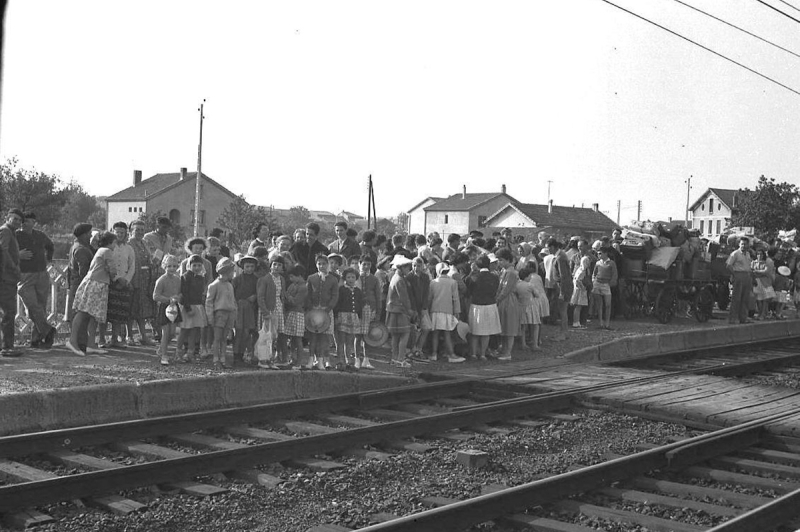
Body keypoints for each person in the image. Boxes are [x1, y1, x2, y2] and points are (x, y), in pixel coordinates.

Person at [66, 231, 117, 356]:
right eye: (114, 242)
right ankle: (72, 341)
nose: (115, 245)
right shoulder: (107, 251)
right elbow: (113, 270)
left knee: (93, 314)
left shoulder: (100, 251)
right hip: (96, 284)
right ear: (110, 242)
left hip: (97, 283)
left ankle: (90, 343)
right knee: (84, 312)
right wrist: (114, 275)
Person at [15, 212, 56, 349]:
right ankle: (48, 330)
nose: (24, 223)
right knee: (32, 305)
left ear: (34, 222)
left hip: (41, 273)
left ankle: (36, 339)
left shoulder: (40, 235)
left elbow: (50, 245)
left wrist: (49, 258)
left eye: (28, 221)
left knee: (41, 305)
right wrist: (18, 255)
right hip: (25, 274)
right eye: (23, 221)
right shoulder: (15, 235)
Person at [102, 221, 135, 348]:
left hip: (124, 285)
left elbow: (132, 266)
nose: (120, 235)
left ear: (126, 233)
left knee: (119, 313)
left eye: (122, 232)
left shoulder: (129, 248)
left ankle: (115, 338)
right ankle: (102, 339)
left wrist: (126, 280)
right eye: (117, 232)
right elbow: (107, 265)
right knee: (106, 312)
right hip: (110, 282)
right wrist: (117, 279)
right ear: (113, 232)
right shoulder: (109, 247)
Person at [305, 253, 339, 370]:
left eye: (324, 264)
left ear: (328, 265)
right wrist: (311, 307)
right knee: (313, 336)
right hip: (313, 311)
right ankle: (310, 359)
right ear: (316, 265)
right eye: (319, 264)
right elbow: (307, 294)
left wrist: (328, 308)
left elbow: (335, 296)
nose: (321, 266)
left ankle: (320, 361)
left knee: (323, 338)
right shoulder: (311, 278)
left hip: (326, 312)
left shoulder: (333, 279)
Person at [465, 255, 501, 360]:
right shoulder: (494, 277)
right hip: (490, 304)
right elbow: (495, 291)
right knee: (487, 332)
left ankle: (473, 354)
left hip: (477, 305)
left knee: (475, 331)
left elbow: (468, 291)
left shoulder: (473, 277)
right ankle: (483, 354)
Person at [428, 261, 464, 363]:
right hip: (448, 310)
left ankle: (434, 354)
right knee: (447, 334)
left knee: (435, 333)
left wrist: (427, 309)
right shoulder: (453, 282)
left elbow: (430, 298)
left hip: (434, 310)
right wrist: (457, 311)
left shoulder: (433, 282)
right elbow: (455, 298)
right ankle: (451, 354)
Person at [0, 209, 25, 357]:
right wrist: (14, 268)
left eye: (19, 220)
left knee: (8, 312)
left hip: (7, 277)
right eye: (14, 219)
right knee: (9, 312)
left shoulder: (10, 232)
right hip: (5, 278)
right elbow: (3, 251)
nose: (16, 222)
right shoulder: (6, 232)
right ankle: (7, 347)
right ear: (7, 218)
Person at [126, 220, 155, 346]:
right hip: (133, 278)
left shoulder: (144, 243)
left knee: (141, 309)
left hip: (145, 279)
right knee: (131, 308)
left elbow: (147, 259)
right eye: (137, 230)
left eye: (142, 230)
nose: (140, 232)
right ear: (131, 231)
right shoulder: (129, 244)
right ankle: (129, 335)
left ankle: (143, 335)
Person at [206, 257, 237, 369]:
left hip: (229, 313)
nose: (233, 274)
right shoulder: (214, 285)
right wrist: (210, 317)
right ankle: (215, 358)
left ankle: (223, 358)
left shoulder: (229, 285)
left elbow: (233, 301)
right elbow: (209, 302)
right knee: (217, 337)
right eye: (231, 271)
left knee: (224, 338)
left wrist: (234, 313)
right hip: (219, 314)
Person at [385, 255, 416, 368]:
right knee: (404, 334)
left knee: (395, 336)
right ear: (402, 267)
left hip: (392, 310)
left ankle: (395, 358)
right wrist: (409, 310)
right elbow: (403, 298)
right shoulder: (400, 280)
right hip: (399, 311)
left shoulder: (395, 277)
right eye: (407, 267)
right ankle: (400, 359)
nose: (409, 269)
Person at [152, 254, 182, 366]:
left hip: (174, 307)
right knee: (165, 332)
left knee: (173, 333)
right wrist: (168, 299)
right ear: (164, 266)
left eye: (174, 266)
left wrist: (177, 298)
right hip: (164, 308)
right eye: (169, 266)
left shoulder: (178, 279)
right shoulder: (161, 280)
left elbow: (180, 293)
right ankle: (164, 355)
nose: (172, 269)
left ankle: (161, 348)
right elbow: (155, 296)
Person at [177, 254, 208, 363]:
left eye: (199, 265)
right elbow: (184, 293)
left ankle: (190, 353)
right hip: (188, 306)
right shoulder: (185, 276)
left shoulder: (201, 277)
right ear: (189, 265)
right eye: (194, 265)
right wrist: (188, 307)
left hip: (198, 306)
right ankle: (178, 352)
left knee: (195, 330)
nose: (197, 268)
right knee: (184, 330)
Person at [233, 255, 259, 365]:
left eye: (252, 266)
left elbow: (260, 292)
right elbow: (232, 293)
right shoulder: (237, 279)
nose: (249, 269)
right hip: (239, 307)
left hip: (250, 308)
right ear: (242, 267)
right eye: (247, 266)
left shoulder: (257, 280)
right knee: (238, 331)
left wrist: (255, 296)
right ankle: (236, 354)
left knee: (247, 332)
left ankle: (245, 353)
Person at [334, 267, 363, 369]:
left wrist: (359, 317)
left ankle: (350, 361)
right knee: (341, 340)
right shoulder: (341, 290)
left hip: (353, 317)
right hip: (343, 316)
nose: (351, 279)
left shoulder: (358, 291)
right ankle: (340, 361)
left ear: (356, 278)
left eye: (353, 277)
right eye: (348, 277)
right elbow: (337, 303)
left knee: (350, 340)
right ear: (345, 278)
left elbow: (360, 305)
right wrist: (336, 316)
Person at [494, 248, 520, 360]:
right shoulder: (505, 271)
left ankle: (508, 352)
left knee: (509, 327)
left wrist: (497, 299)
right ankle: (504, 350)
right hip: (504, 301)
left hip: (509, 301)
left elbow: (506, 289)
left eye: (501, 260)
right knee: (504, 326)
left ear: (508, 260)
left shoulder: (511, 272)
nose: (499, 262)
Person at [356, 255, 379, 369]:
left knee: (367, 335)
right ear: (359, 264)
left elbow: (377, 295)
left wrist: (377, 311)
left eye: (368, 264)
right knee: (357, 335)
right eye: (364, 264)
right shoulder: (355, 277)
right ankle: (356, 358)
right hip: (357, 308)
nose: (366, 267)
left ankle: (366, 359)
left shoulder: (374, 279)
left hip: (370, 308)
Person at [407, 257, 432, 360]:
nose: (416, 268)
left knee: (426, 328)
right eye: (414, 265)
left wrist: (424, 308)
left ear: (422, 266)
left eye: (418, 265)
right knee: (414, 329)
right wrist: (414, 310)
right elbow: (410, 295)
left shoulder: (425, 277)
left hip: (423, 307)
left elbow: (426, 293)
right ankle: (412, 349)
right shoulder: (409, 277)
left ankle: (419, 348)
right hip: (413, 308)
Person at [283, 265, 308, 368]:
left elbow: (296, 301)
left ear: (299, 276)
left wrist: (286, 296)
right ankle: (293, 358)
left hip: (298, 313)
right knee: (291, 338)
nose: (291, 279)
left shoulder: (303, 287)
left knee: (298, 339)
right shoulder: (292, 285)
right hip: (290, 313)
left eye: (292, 276)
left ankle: (299, 361)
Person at [726, 237, 753, 324]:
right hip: (738, 275)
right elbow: (728, 265)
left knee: (745, 298)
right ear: (739, 244)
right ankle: (733, 318)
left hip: (747, 276)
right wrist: (735, 275)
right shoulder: (735, 254)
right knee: (736, 298)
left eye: (745, 244)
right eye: (742, 244)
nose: (744, 246)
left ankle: (743, 318)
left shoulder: (748, 254)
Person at [592, 247, 618, 330]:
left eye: (600, 253)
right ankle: (600, 323)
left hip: (606, 285)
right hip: (597, 283)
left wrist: (611, 283)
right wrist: (593, 281)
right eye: (598, 253)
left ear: (605, 253)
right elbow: (594, 273)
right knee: (599, 305)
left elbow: (615, 274)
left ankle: (607, 324)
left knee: (608, 305)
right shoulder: (598, 263)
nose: (598, 255)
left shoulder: (611, 263)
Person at [516, 267, 542, 350]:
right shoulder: (530, 285)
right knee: (535, 325)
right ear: (527, 276)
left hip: (521, 306)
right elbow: (537, 294)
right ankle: (535, 344)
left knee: (523, 326)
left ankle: (523, 344)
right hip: (531, 306)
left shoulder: (517, 285)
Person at [570, 255, 591, 330]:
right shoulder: (582, 271)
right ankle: (576, 322)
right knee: (578, 306)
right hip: (580, 290)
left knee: (578, 306)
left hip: (577, 289)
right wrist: (583, 287)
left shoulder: (579, 269)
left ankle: (577, 321)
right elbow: (578, 280)